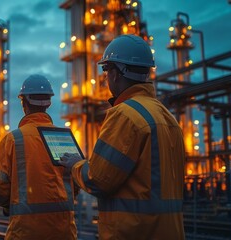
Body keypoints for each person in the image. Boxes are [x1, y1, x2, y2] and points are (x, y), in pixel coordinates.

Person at [60, 34, 186, 240]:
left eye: (106, 70)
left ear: (116, 74)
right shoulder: (167, 117)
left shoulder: (125, 115)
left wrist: (75, 165)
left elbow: (98, 180)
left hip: (134, 232)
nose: (106, 76)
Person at [0, 74, 78, 240]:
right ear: (49, 103)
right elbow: (78, 180)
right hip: (64, 232)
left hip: (24, 232)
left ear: (24, 103)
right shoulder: (65, 137)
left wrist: (7, 205)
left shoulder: (13, 139)